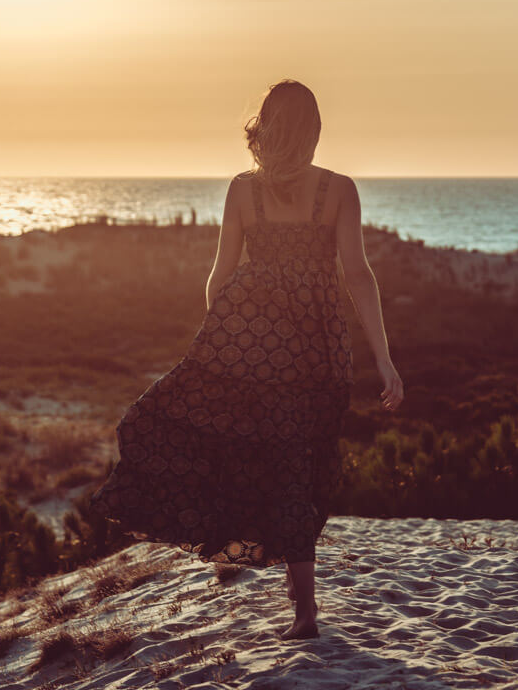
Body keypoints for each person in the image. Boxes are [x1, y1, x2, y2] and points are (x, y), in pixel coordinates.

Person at [89, 79, 403, 641]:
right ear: (313, 129)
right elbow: (357, 274)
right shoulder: (338, 190)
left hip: (247, 345)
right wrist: (384, 359)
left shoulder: (242, 190)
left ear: (264, 128)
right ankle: (302, 606)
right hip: (317, 348)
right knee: (300, 468)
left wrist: (218, 344)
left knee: (192, 435)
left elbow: (221, 274)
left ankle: (282, 582)